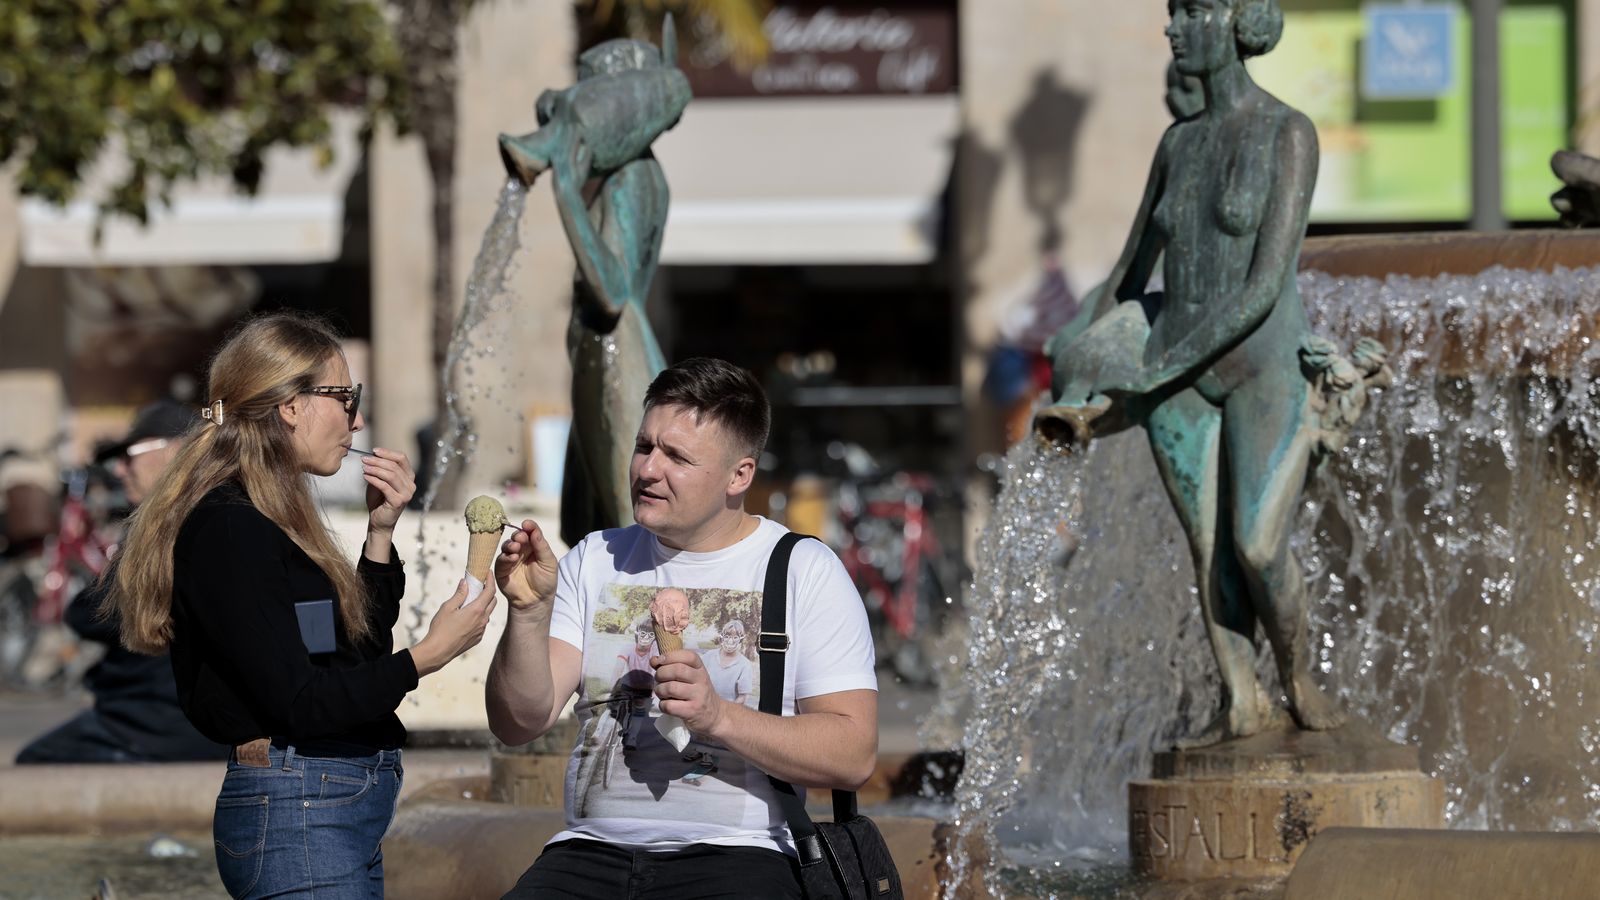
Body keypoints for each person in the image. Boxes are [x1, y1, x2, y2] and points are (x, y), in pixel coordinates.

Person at [105, 311, 496, 899]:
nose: (357, 419)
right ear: (291, 405)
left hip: (323, 808)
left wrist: (381, 533)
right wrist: (428, 656)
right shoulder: (230, 530)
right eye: (346, 397)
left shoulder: (267, 522)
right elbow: (302, 701)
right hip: (299, 809)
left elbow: (349, 655)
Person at [486, 357, 878, 899]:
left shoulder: (802, 569)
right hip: (588, 852)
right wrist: (526, 615)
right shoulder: (594, 558)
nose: (648, 470)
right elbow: (518, 721)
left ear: (739, 475)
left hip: (741, 855)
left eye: (677, 457)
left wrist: (718, 717)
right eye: (645, 447)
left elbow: (854, 753)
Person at [1083, 0, 1343, 741]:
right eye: (1174, 13)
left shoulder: (1287, 133)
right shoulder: (1177, 144)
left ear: (1239, 22)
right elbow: (1129, 273)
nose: (1174, 28)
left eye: (1193, 11)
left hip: (1262, 365)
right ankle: (1241, 700)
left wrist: (1160, 362)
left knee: (1257, 545)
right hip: (1173, 379)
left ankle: (1294, 675)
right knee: (1211, 555)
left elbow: (1265, 286)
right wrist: (1082, 362)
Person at [15, 399, 227, 763]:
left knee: (30, 768)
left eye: (131, 455)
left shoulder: (173, 527)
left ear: (176, 450)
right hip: (183, 721)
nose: (119, 468)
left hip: (150, 722)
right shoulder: (212, 516)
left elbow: (94, 613)